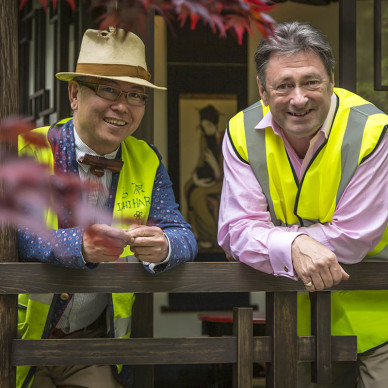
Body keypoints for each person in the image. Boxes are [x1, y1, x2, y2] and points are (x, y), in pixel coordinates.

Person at [17, 27, 197, 388]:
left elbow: (183, 235)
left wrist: (164, 247)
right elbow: (22, 236)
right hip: (18, 343)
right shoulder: (29, 150)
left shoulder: (147, 159)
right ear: (74, 93)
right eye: (108, 89)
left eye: (135, 95)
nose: (123, 106)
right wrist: (80, 246)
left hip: (93, 346)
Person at [218, 21, 388, 387]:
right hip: (293, 318)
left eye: (311, 81)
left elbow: (354, 236)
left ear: (330, 80)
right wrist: (292, 243)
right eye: (284, 85)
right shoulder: (240, 133)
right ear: (263, 91)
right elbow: (234, 230)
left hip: (381, 315)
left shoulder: (373, 131)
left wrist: (268, 241)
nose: (299, 98)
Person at [184, 105, 223, 249]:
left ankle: (211, 236)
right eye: (203, 125)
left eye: (208, 125)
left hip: (222, 180)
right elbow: (202, 159)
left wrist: (214, 167)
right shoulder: (204, 137)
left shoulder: (223, 137)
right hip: (208, 177)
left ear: (214, 124)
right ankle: (193, 229)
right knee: (188, 186)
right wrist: (196, 175)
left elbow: (224, 173)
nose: (205, 128)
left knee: (197, 195)